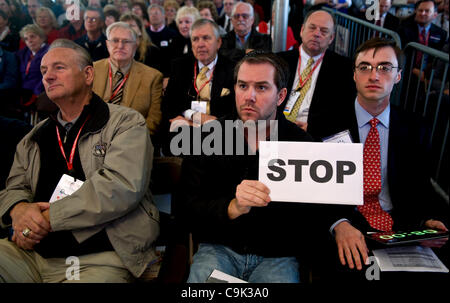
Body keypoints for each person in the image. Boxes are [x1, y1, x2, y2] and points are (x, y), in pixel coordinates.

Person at [0, 39, 159, 282]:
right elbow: (15, 187)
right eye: (43, 71)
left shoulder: (125, 123)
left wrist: (44, 220)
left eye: (59, 68)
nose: (48, 77)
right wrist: (19, 210)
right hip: (32, 255)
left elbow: (119, 187)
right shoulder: (35, 136)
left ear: (87, 75)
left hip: (97, 257)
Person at [179, 51, 317, 283]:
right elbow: (186, 208)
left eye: (262, 88)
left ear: (281, 95)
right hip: (219, 248)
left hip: (277, 256)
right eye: (243, 86)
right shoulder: (206, 138)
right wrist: (231, 207)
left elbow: (312, 219)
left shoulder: (302, 145)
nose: (249, 96)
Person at [326, 37, 448, 276]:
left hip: (400, 226)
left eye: (384, 68)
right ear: (354, 75)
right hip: (349, 223)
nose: (374, 76)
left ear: (398, 76)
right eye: (365, 68)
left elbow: (421, 185)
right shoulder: (327, 122)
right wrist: (338, 224)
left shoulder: (416, 127)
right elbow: (315, 190)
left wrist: (428, 221)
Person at [276, 9, 355, 140]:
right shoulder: (278, 61)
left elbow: (344, 112)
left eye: (324, 31)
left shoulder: (343, 68)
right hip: (277, 130)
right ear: (302, 30)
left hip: (314, 136)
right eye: (312, 28)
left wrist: (313, 128)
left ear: (331, 38)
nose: (317, 34)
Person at [162, 18, 235, 133]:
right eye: (195, 39)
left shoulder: (232, 69)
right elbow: (169, 105)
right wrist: (195, 116)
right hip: (186, 132)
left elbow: (233, 112)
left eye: (206, 38)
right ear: (191, 45)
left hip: (220, 133)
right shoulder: (179, 66)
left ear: (218, 42)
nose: (200, 44)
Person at [92, 22, 163, 138]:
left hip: (133, 141)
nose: (120, 46)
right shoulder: (91, 71)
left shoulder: (153, 77)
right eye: (115, 40)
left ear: (135, 45)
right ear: (107, 44)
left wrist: (132, 140)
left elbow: (154, 119)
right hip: (94, 136)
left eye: (126, 41)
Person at [16, 24, 48, 109]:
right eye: (26, 39)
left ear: (41, 37)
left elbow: (46, 76)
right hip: (24, 92)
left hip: (40, 92)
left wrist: (36, 93)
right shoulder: (24, 53)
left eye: (32, 37)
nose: (29, 41)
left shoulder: (48, 52)